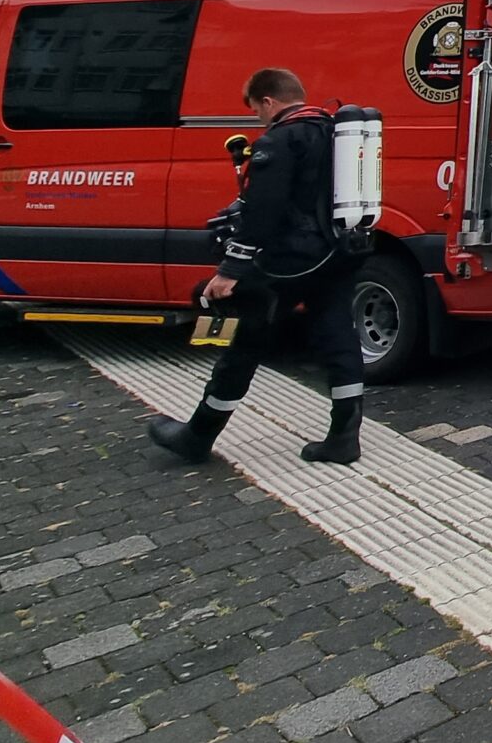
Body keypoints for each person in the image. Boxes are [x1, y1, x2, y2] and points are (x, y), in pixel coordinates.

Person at [148, 69, 365, 466]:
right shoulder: (339, 133)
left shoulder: (279, 141)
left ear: (268, 101)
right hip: (338, 254)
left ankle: (198, 435)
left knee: (246, 343)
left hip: (288, 262)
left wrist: (230, 270)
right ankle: (344, 436)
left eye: (255, 109)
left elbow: (263, 212)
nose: (257, 118)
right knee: (339, 339)